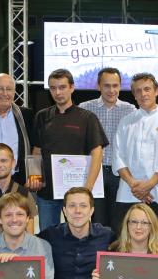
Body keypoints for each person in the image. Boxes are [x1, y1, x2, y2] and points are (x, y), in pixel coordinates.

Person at [30, 69, 108, 231]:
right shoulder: (42, 116)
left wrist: (88, 188)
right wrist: (35, 177)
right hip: (47, 193)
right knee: (47, 237)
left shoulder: (87, 118)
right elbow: (36, 152)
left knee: (79, 236)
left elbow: (97, 153)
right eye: (53, 88)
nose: (58, 92)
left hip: (77, 194)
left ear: (72, 87)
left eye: (62, 87)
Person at [113, 73, 158, 235]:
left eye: (147, 89)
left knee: (156, 246)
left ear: (156, 91)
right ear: (134, 95)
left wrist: (148, 186)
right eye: (138, 91)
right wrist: (134, 186)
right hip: (128, 194)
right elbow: (118, 157)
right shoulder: (126, 122)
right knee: (125, 245)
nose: (143, 94)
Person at [80, 67, 136, 227]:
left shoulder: (130, 110)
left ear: (120, 86)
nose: (112, 90)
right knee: (97, 222)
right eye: (107, 85)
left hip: (121, 174)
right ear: (98, 86)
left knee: (120, 222)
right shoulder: (85, 108)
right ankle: (98, 252)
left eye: (115, 85)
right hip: (94, 174)